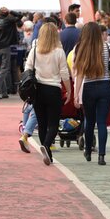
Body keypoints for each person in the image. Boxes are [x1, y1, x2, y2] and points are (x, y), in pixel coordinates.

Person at [72, 23, 110, 165]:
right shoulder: (107, 46)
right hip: (106, 86)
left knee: (89, 121)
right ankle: (101, 155)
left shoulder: (82, 48)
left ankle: (88, 150)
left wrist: (76, 94)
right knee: (101, 122)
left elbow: (79, 74)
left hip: (89, 87)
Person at [25, 23, 71, 165]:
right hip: (53, 89)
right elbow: (64, 73)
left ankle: (48, 154)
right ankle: (46, 145)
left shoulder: (35, 50)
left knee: (42, 123)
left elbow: (27, 68)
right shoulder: (59, 52)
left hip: (37, 89)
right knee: (53, 123)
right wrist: (69, 90)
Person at [0, 7, 22, 99]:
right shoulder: (9, 21)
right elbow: (20, 16)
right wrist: (11, 11)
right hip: (5, 47)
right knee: (4, 69)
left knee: (0, 69)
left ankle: (3, 92)